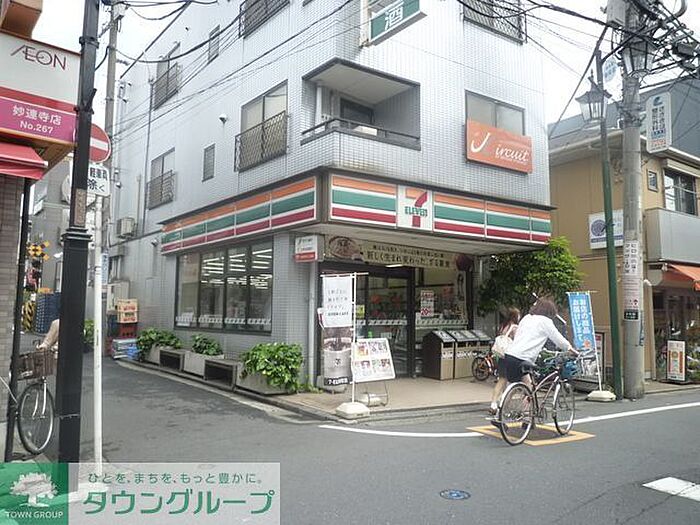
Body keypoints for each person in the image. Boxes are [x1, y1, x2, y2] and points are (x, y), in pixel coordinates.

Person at [488, 298, 575, 416]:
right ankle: (521, 413)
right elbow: (559, 340)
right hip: (524, 358)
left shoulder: (526, 318)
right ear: (549, 311)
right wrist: (570, 348)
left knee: (521, 384)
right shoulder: (546, 321)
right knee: (524, 387)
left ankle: (509, 411)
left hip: (510, 355)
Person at [487, 307, 520, 415]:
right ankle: (503, 404)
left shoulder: (503, 326)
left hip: (501, 357)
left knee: (501, 380)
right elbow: (518, 341)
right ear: (515, 316)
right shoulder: (514, 328)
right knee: (511, 382)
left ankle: (493, 403)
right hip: (510, 357)